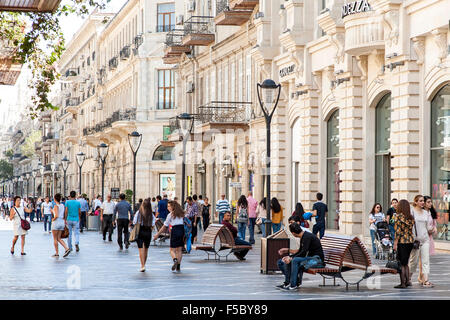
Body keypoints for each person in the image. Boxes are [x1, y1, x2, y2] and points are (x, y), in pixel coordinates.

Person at [276, 223, 325, 290]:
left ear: (293, 233)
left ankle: (293, 285)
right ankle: (287, 283)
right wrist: (289, 257)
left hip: (317, 260)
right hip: (311, 258)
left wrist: (291, 258)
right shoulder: (304, 236)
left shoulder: (307, 237)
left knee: (295, 260)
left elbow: (303, 252)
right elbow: (300, 251)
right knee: (284, 261)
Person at [408, 195, 434, 287]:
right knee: (413, 261)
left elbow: (427, 227)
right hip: (415, 241)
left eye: (423, 201)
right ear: (415, 202)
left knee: (425, 261)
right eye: (420, 201)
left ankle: (426, 280)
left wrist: (432, 229)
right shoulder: (412, 212)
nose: (423, 202)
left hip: (425, 239)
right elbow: (409, 227)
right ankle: (408, 278)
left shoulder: (426, 213)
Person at [153, 200, 185, 272]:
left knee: (172, 250)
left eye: (168, 206)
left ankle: (175, 260)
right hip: (181, 230)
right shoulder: (181, 213)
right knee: (179, 250)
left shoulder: (170, 215)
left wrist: (157, 234)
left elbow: (165, 226)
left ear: (172, 207)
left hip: (175, 230)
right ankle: (178, 266)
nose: (167, 208)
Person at [393, 199, 415, 288]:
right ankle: (408, 281)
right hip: (410, 241)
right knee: (406, 263)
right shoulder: (410, 217)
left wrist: (395, 243)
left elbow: (398, 232)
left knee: (402, 263)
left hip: (402, 241)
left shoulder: (398, 217)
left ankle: (403, 283)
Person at [133, 198, 156, 272]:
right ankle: (144, 264)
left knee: (140, 249)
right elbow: (153, 223)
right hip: (148, 231)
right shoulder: (151, 214)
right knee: (146, 249)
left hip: (140, 231)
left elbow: (134, 222)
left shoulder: (139, 212)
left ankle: (142, 265)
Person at [51, 193, 70, 258]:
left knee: (55, 239)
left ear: (55, 199)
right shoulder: (62, 205)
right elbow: (64, 213)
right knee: (59, 238)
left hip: (56, 222)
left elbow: (56, 215)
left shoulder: (56, 206)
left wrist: (53, 219)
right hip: (62, 222)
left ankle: (57, 253)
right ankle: (67, 248)